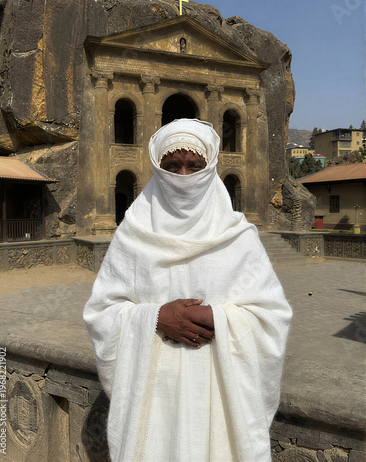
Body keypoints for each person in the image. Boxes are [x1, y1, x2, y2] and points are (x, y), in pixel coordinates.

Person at [83, 118, 292, 462]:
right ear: (157, 168)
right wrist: (156, 317)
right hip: (154, 403)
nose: (182, 176)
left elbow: (273, 316)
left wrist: (216, 316)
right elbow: (101, 313)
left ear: (209, 167)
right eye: (171, 166)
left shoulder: (238, 237)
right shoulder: (133, 234)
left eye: (193, 165)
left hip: (216, 405)